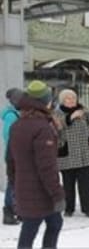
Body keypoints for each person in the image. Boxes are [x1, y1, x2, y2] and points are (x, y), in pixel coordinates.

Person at [7, 80, 65, 249]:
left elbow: (10, 160)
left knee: (49, 224)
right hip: (41, 191)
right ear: (44, 101)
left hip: (24, 187)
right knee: (35, 227)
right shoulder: (42, 128)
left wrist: (14, 183)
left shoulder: (17, 125)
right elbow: (47, 166)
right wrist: (57, 194)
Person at [54, 89, 89, 218]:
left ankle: (88, 208)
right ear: (63, 100)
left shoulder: (83, 110)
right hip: (67, 154)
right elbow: (58, 127)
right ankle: (69, 208)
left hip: (85, 154)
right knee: (68, 185)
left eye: (73, 98)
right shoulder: (57, 113)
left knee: (86, 183)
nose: (71, 100)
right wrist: (71, 117)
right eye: (68, 98)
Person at [1, 88, 23, 225]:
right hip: (14, 155)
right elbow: (9, 136)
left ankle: (18, 210)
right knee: (13, 183)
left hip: (17, 154)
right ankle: (9, 211)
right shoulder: (11, 115)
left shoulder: (17, 114)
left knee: (19, 183)